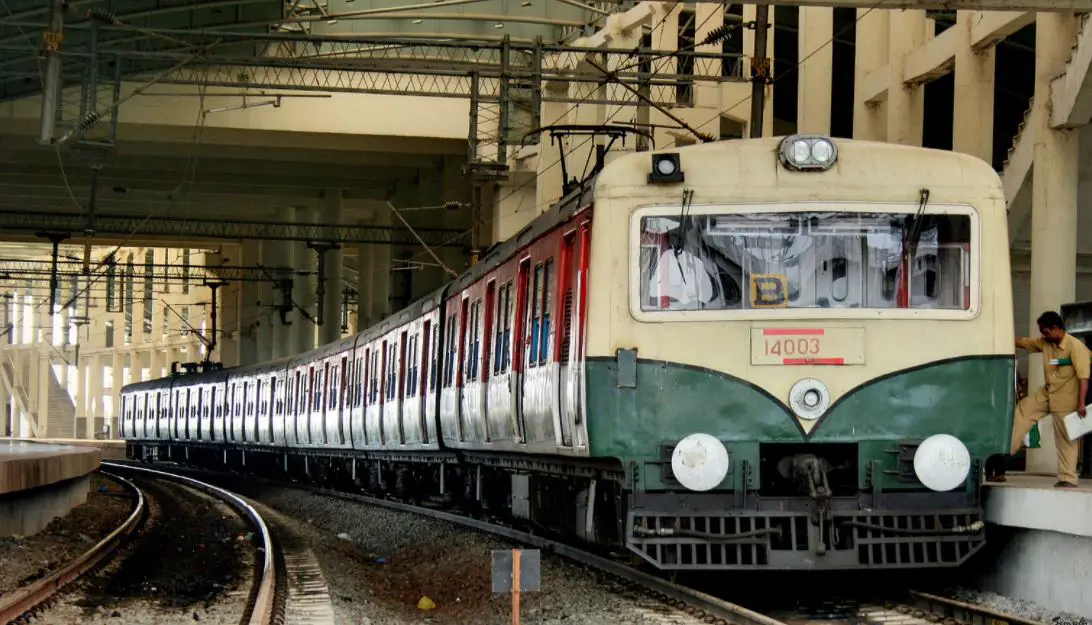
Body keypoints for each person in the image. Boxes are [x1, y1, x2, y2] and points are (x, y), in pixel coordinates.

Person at [989, 311, 1090, 487]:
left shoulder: (1076, 347)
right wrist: (1001, 336)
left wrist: (1081, 403)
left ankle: (1068, 478)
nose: (1043, 335)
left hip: (1067, 399)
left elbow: (1083, 378)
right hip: (1046, 394)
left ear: (1057, 329)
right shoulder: (1046, 343)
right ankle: (1004, 453)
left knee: (1066, 439)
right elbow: (1025, 342)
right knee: (1022, 411)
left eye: (1046, 331)